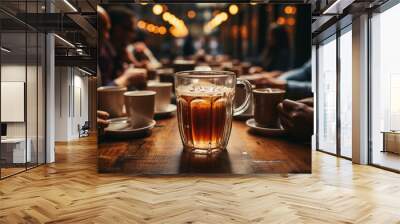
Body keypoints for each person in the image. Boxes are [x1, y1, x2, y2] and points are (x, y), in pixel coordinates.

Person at [99, 6, 146, 89]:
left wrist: (136, 65)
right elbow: (101, 92)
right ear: (116, 28)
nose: (133, 35)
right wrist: (127, 78)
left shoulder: (119, 51)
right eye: (130, 30)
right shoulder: (103, 53)